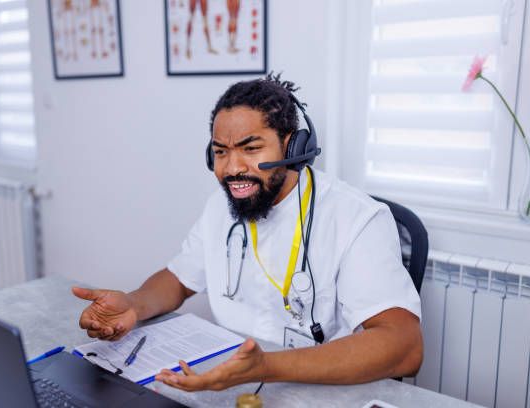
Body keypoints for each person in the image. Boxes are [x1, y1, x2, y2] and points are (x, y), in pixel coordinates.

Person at [72, 74, 423, 391]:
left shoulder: (357, 218)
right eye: (221, 152)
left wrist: (265, 368)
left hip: (323, 390)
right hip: (237, 384)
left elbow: (404, 346)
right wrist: (133, 305)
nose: (233, 168)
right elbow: (178, 279)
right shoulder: (219, 208)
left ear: (293, 146)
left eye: (251, 148)